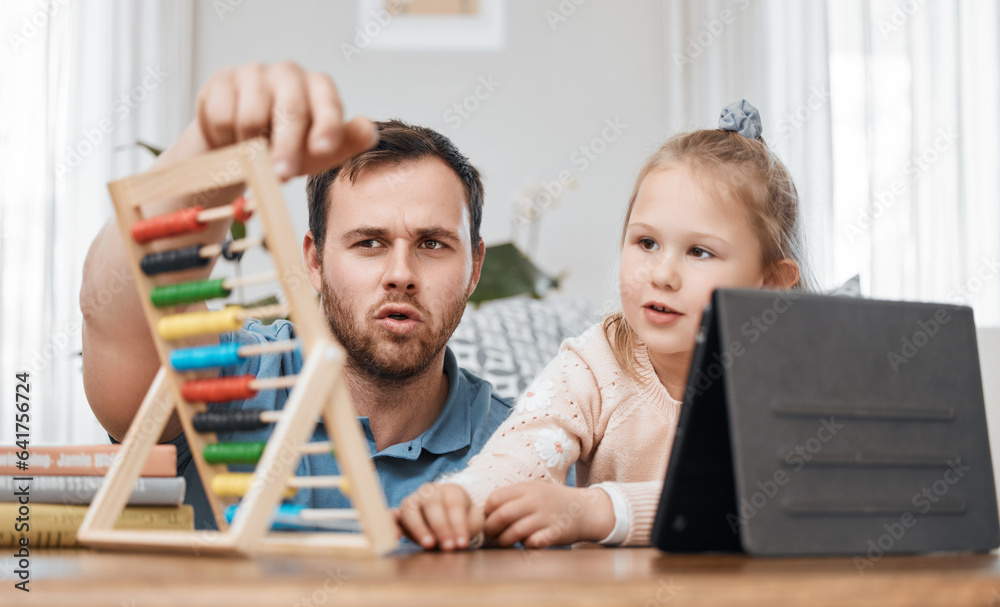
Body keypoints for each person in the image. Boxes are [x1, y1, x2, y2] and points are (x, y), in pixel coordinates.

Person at [80, 63, 512, 528]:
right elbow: (114, 307)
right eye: (369, 242)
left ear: (475, 268)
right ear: (315, 261)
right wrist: (212, 148)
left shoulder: (524, 448)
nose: (401, 274)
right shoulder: (233, 379)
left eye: (432, 244)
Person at [397, 100, 809, 551]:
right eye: (646, 242)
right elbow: (524, 450)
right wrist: (464, 497)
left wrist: (599, 509)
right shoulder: (595, 364)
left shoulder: (790, 383)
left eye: (700, 252)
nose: (662, 274)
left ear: (770, 284)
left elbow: (769, 500)